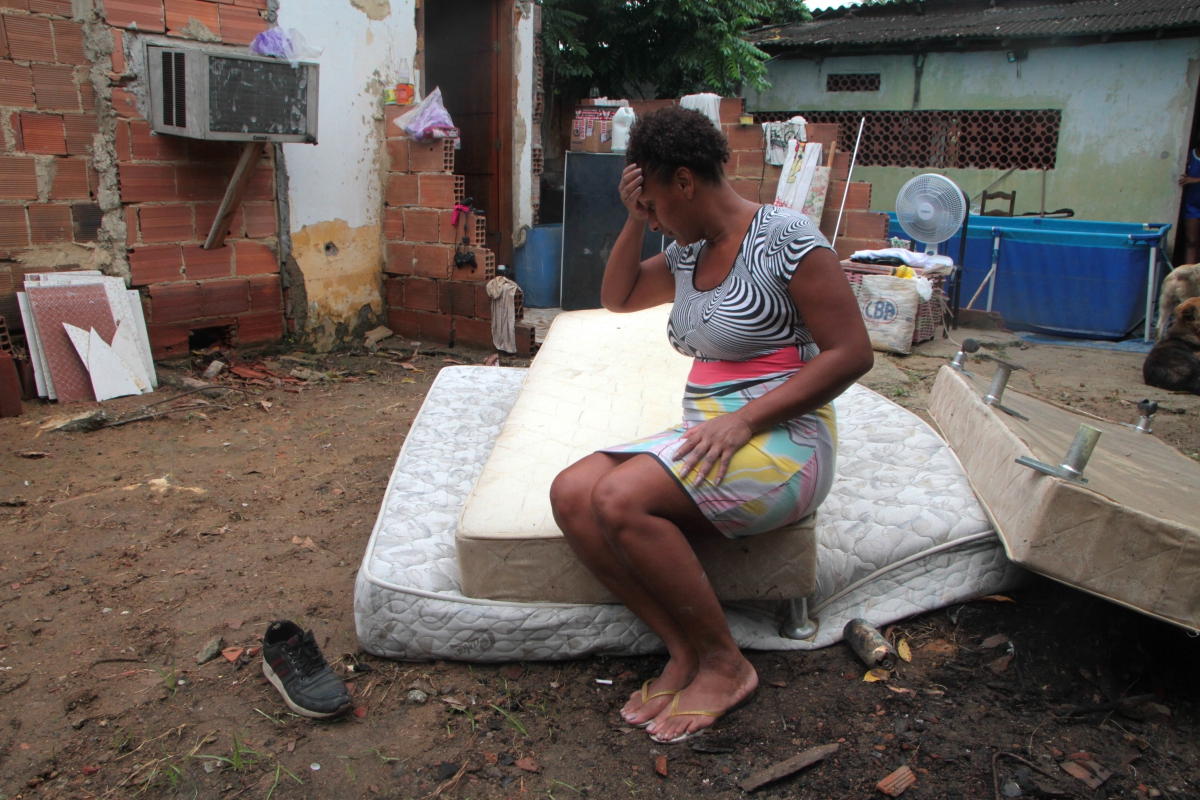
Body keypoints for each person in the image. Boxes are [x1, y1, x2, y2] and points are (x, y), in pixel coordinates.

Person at [548, 107, 873, 744]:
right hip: (709, 436)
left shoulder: (790, 239)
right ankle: (683, 649)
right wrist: (634, 219)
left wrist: (745, 420)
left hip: (784, 441)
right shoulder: (686, 252)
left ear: (687, 182)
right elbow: (615, 297)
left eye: (657, 198)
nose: (657, 215)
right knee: (571, 493)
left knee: (619, 498)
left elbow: (852, 353)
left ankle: (726, 662)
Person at [1178, 135, 1200, 265]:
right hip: (1192, 205)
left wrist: (1195, 180)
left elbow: (1190, 179)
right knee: (1191, 241)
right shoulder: (1190, 155)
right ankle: (1189, 275)